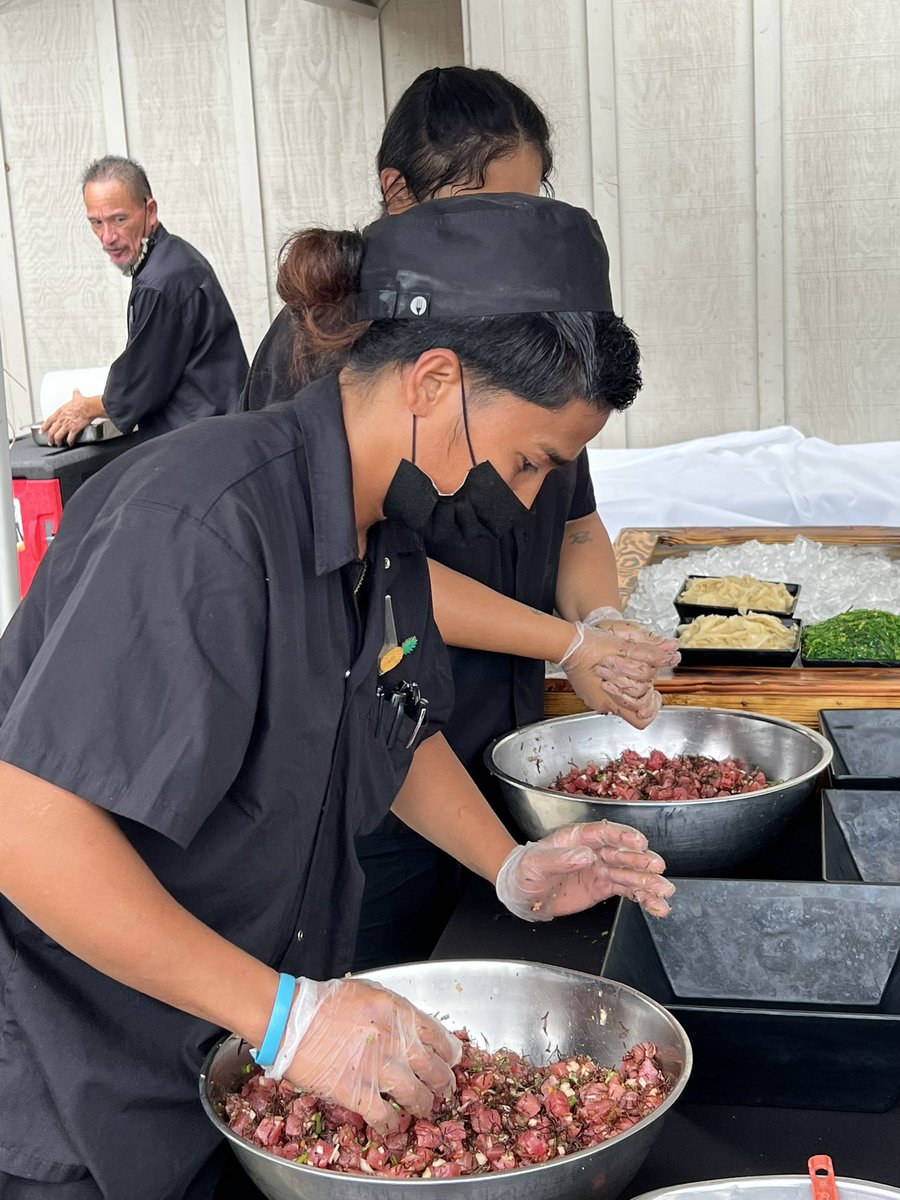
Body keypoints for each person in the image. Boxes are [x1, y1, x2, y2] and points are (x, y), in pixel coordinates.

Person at [0, 193, 674, 1200]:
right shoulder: (204, 523)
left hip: (214, 1068)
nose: (529, 503)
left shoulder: (382, 540)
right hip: (79, 1092)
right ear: (435, 380)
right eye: (531, 462)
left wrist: (514, 868)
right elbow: (25, 822)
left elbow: (390, 725)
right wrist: (286, 1018)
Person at [241, 67, 676, 967]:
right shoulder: (304, 395)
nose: (514, 254)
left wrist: (599, 628)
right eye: (485, 215)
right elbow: (370, 596)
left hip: (467, 744)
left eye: (532, 216)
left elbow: (576, 525)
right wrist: (564, 644)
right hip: (373, 775)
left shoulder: (533, 357)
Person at [40, 155, 248, 446]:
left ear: (150, 211)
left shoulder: (160, 282)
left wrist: (86, 407)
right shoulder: (172, 257)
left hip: (203, 444)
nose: (107, 237)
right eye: (96, 223)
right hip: (220, 433)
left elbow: (135, 390)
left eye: (119, 219)